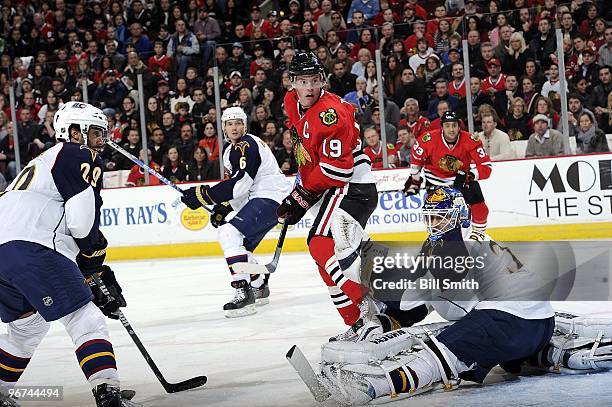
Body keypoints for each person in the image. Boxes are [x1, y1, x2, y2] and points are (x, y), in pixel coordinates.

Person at [317, 186, 556, 405]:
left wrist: (355, 268)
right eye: (430, 217)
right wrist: (385, 321)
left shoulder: (458, 245)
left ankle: (372, 386)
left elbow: (406, 294)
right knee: (466, 335)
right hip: (538, 323)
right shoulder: (460, 242)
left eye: (441, 217)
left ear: (459, 217)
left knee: (438, 352)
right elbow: (427, 301)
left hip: (511, 322)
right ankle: (541, 354)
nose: (434, 224)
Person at [0, 101, 138, 406]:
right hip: (32, 248)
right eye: (95, 132)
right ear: (73, 132)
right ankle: (107, 394)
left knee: (26, 328)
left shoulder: (42, 161)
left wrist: (92, 270)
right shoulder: (78, 154)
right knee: (84, 317)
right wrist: (92, 264)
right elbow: (80, 222)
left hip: (4, 254)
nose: (101, 139)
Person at [277, 52, 378, 342]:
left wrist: (303, 195)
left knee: (319, 244)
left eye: (315, 81)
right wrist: (299, 193)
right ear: (292, 83)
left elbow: (338, 172)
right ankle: (357, 322)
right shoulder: (291, 102)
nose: (309, 88)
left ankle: (366, 307)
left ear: (323, 80)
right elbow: (308, 152)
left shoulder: (329, 113)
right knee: (323, 262)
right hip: (331, 184)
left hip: (352, 185)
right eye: (303, 81)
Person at [180, 107, 292, 317]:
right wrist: (225, 206)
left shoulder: (246, 144)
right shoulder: (231, 151)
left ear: (245, 125)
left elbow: (241, 184)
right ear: (224, 127)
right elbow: (241, 189)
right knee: (240, 250)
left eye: (238, 123)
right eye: (230, 124)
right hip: (268, 199)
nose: (234, 127)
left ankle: (244, 292)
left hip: (270, 197)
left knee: (228, 233)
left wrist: (204, 195)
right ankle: (259, 284)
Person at [403, 111, 492, 240]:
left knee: (481, 209)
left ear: (459, 126)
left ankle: (478, 236)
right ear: (442, 127)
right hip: (436, 183)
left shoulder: (470, 140)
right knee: (438, 216)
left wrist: (470, 175)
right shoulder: (428, 140)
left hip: (462, 180)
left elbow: (486, 166)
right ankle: (438, 241)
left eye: (454, 125)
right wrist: (415, 180)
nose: (451, 129)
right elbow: (417, 160)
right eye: (448, 126)